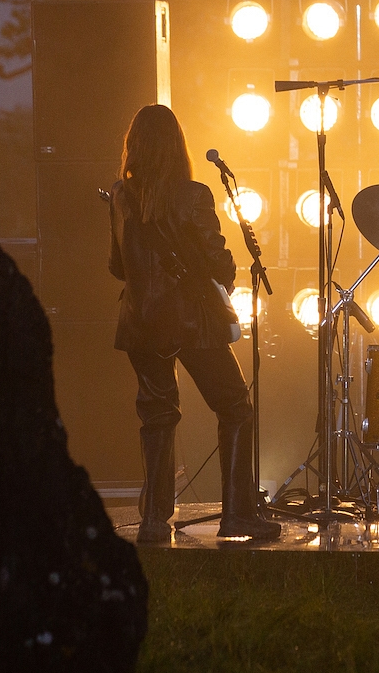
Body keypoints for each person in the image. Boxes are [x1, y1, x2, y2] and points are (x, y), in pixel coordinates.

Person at [108, 104, 281, 543]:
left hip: (140, 323)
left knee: (158, 415)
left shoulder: (120, 196)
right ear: (177, 145)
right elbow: (218, 262)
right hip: (190, 321)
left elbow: (116, 265)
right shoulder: (193, 195)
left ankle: (153, 521)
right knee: (235, 409)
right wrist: (228, 273)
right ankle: (237, 514)